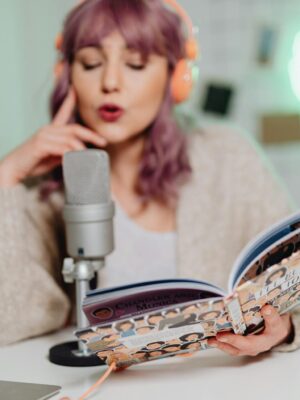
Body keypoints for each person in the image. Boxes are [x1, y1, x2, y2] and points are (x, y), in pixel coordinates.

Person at [0, 0, 299, 359]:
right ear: (68, 74)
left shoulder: (229, 156)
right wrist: (6, 176)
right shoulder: (44, 189)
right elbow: (11, 319)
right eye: (91, 64)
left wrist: (285, 328)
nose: (110, 82)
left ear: (176, 78)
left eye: (136, 63)